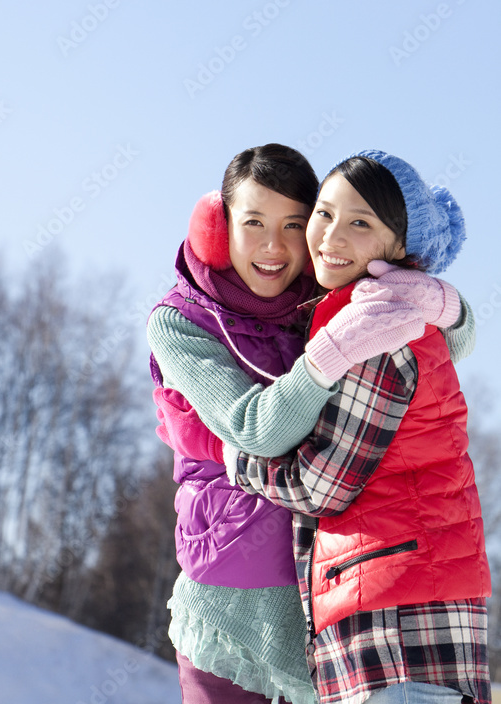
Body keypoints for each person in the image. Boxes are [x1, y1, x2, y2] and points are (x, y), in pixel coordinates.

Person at [147, 144, 476, 704]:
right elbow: (253, 429)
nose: (273, 247)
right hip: (228, 591)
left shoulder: (327, 298)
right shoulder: (180, 321)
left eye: (294, 224)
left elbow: (446, 344)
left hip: (330, 599)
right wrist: (328, 354)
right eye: (253, 223)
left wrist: (443, 302)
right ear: (219, 226)